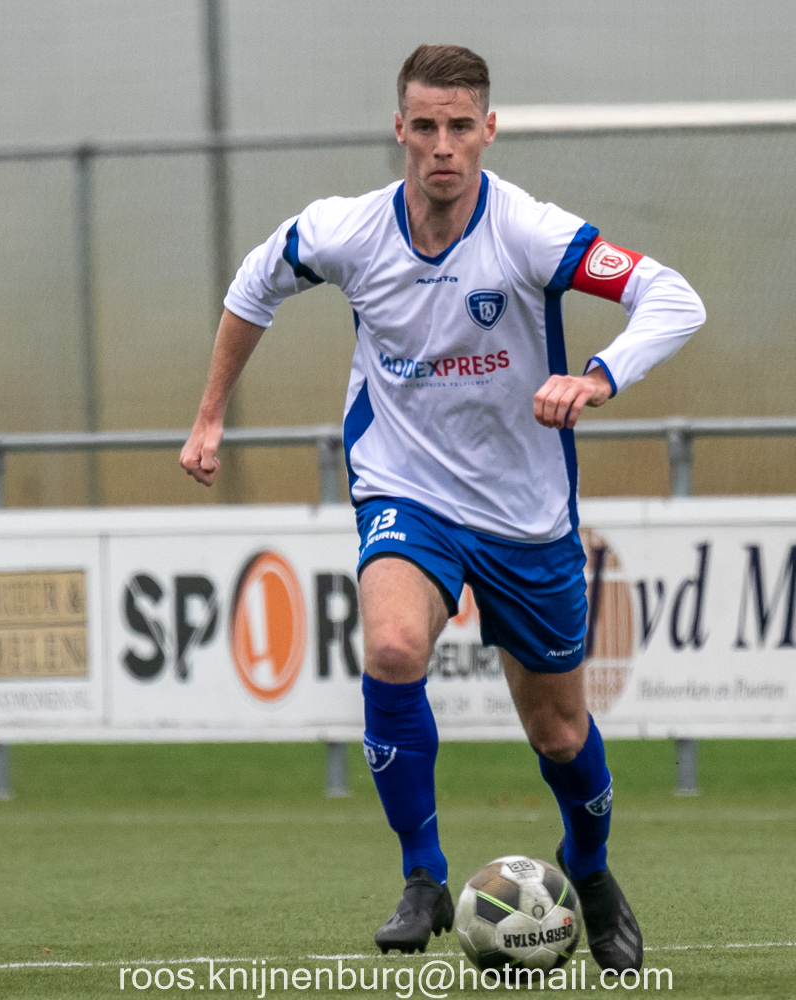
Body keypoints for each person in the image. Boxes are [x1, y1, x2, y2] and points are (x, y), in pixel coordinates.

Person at [180, 44, 705, 972]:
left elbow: (674, 297)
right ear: (399, 130)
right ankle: (422, 875)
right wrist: (210, 416)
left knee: (559, 732)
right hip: (404, 488)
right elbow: (252, 284)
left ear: (488, 130)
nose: (442, 146)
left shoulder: (529, 232)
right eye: (424, 126)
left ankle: (590, 868)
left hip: (525, 514)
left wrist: (598, 375)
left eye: (461, 126)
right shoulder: (348, 230)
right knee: (390, 648)